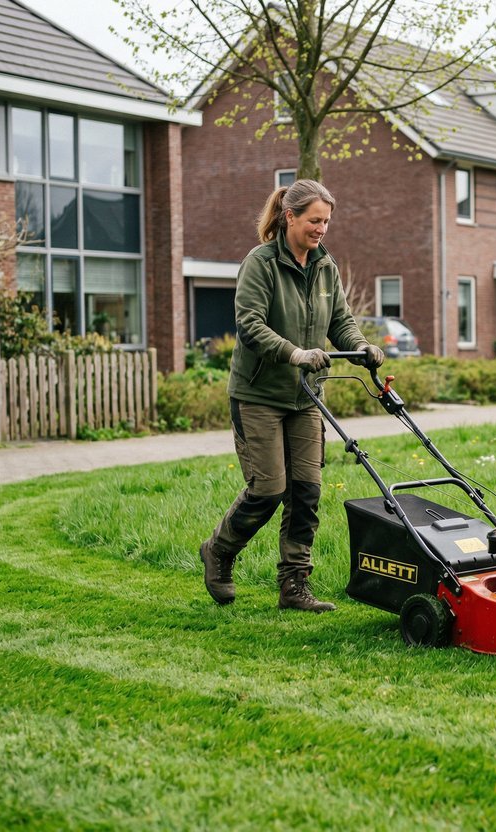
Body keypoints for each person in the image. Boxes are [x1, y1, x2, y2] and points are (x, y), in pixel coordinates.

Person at [199, 179, 384, 612]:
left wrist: (362, 348)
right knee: (268, 488)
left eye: (326, 222)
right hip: (258, 393)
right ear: (290, 217)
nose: (321, 229)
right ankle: (219, 550)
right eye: (314, 220)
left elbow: (340, 321)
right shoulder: (260, 263)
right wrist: (295, 352)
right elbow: (250, 324)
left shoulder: (325, 266)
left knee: (306, 492)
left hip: (305, 397)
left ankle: (294, 586)